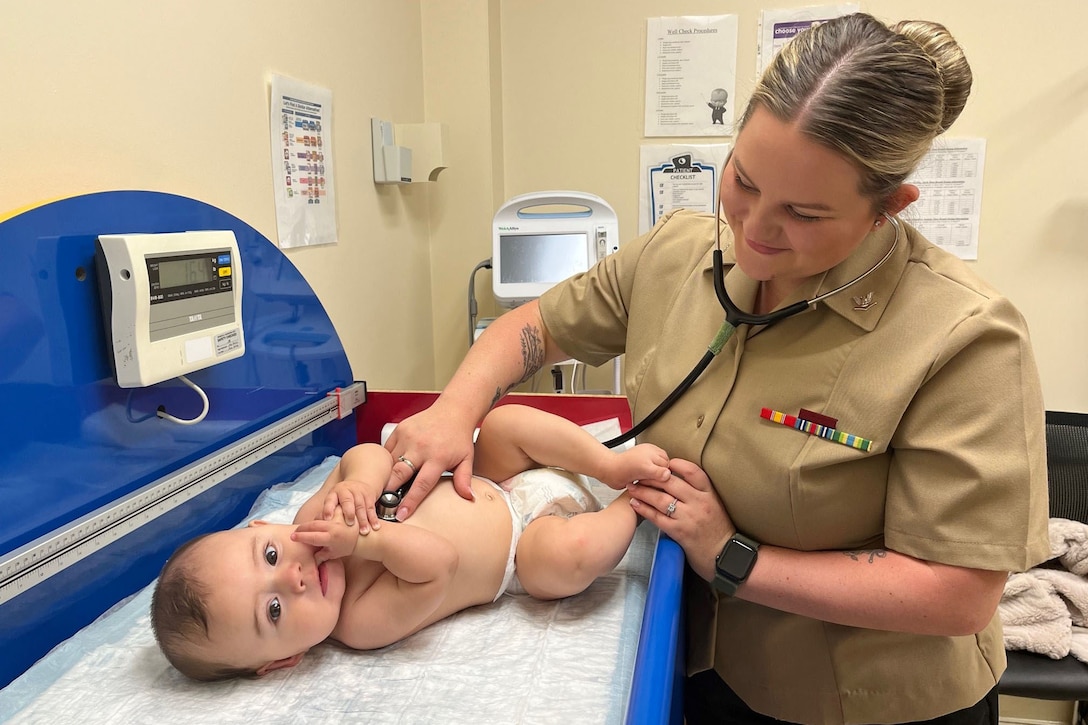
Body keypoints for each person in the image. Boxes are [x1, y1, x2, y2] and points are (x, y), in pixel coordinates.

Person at [381, 13, 1050, 725]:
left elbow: (956, 593)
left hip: (864, 700)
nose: (755, 228)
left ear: (890, 207)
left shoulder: (967, 337)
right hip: (693, 655)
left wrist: (732, 555)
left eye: (803, 211)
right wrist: (455, 409)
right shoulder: (676, 253)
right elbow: (536, 327)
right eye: (744, 179)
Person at [150, 404, 669, 682]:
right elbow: (436, 565)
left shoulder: (315, 514)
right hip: (521, 545)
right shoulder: (357, 623)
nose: (294, 575)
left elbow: (370, 455)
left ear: (263, 529)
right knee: (558, 564)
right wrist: (366, 545)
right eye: (276, 611)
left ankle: (609, 464)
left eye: (269, 557)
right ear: (286, 661)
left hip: (493, 479)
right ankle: (636, 502)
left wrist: (358, 482)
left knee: (503, 423)